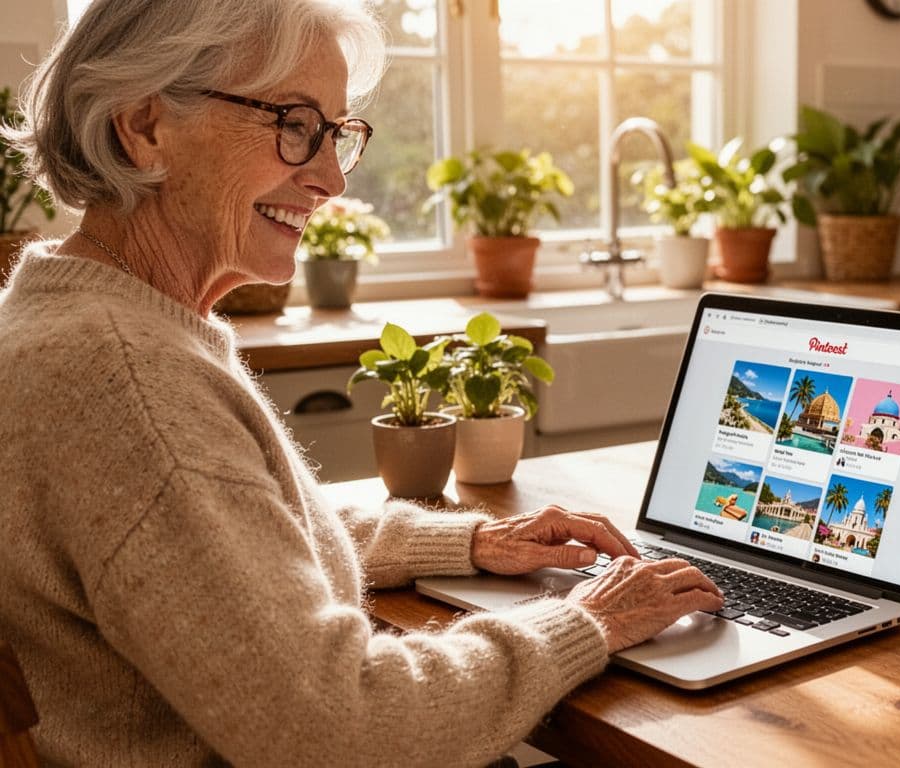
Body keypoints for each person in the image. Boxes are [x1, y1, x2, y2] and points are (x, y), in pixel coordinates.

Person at [0, 1, 722, 765]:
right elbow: (345, 725)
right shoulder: (129, 384)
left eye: (337, 133)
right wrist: (588, 623)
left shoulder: (77, 321)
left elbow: (231, 542)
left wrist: (472, 539)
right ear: (144, 126)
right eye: (294, 125)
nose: (331, 177)